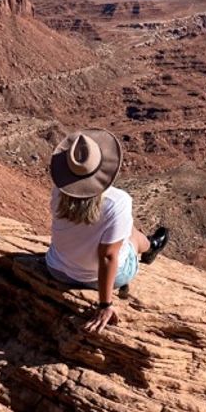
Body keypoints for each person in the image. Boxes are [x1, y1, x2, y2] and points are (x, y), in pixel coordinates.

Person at [45, 128, 169, 333]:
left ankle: (149, 246)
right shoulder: (117, 201)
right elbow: (108, 256)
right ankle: (150, 247)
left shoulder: (60, 190)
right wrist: (105, 305)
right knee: (128, 232)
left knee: (120, 227)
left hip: (57, 269)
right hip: (95, 279)